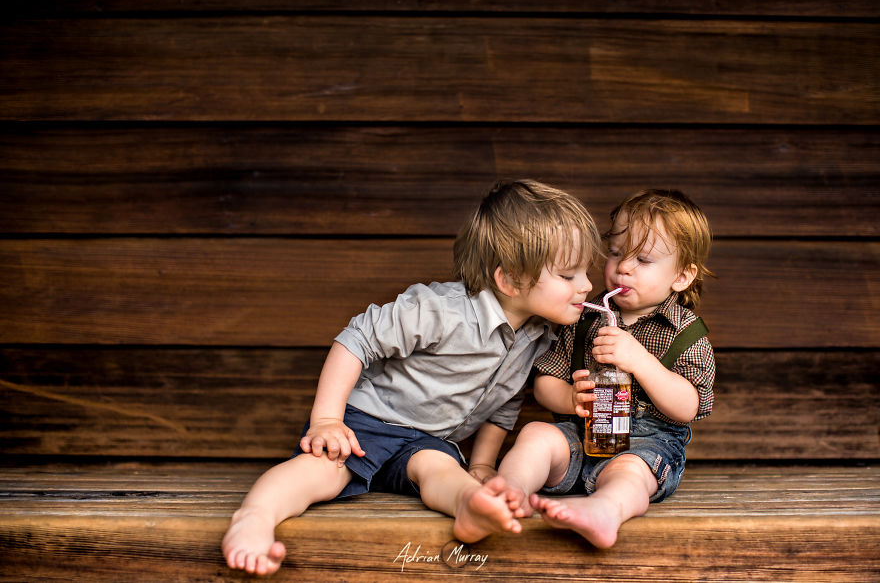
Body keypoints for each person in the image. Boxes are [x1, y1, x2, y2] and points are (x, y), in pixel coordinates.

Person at [221, 179, 602, 575]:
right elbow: (357, 340)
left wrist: (483, 464)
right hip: (368, 423)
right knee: (322, 472)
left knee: (441, 471)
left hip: (428, 440)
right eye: (568, 275)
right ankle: (255, 518)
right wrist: (327, 420)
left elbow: (504, 404)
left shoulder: (536, 337)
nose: (587, 286)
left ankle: (470, 507)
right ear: (509, 280)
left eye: (585, 272)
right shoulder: (441, 310)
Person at [486, 188, 716, 549]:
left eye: (643, 259)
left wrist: (640, 360)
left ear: (682, 277)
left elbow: (688, 407)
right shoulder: (583, 319)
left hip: (645, 445)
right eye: (615, 253)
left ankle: (605, 510)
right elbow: (545, 382)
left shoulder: (685, 333)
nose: (623, 266)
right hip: (580, 438)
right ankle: (509, 493)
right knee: (536, 434)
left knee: (631, 472)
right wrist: (570, 397)